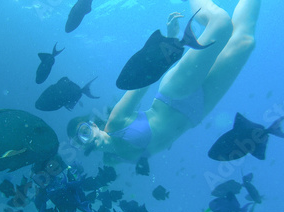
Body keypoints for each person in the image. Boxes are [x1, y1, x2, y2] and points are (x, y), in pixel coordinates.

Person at [72, 0, 261, 164]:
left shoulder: (116, 121)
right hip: (198, 111)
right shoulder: (118, 160)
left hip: (175, 94)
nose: (86, 138)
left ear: (92, 125)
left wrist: (170, 41)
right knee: (244, 42)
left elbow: (141, 83)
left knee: (220, 23)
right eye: (80, 141)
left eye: (84, 131)